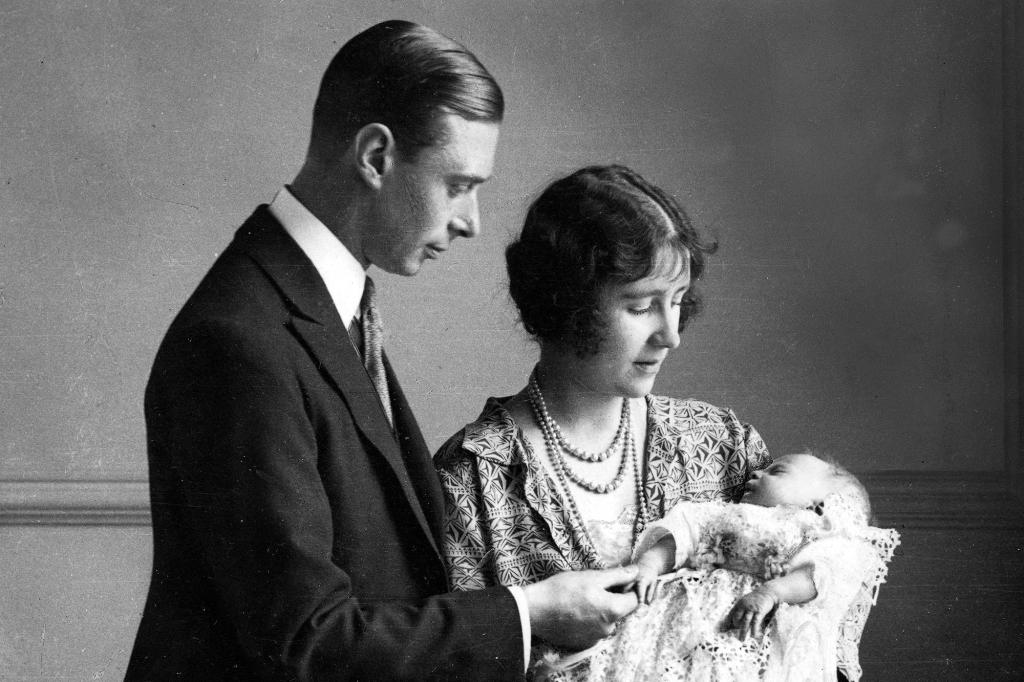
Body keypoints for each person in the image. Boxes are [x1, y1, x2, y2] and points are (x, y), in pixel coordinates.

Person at [127, 22, 639, 681]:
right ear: (374, 156)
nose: (471, 221)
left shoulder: (321, 307)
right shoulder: (239, 340)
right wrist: (524, 613)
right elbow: (306, 646)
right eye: (458, 185)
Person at [434, 164, 772, 677]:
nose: (671, 335)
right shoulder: (473, 478)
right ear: (565, 304)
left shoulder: (722, 445)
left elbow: (819, 582)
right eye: (640, 307)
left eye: (676, 302)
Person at [549, 453, 900, 681]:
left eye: (776, 471)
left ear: (819, 505)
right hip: (681, 615)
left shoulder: (813, 534)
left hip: (750, 627)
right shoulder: (727, 513)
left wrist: (771, 592)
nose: (757, 473)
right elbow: (684, 533)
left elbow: (816, 578)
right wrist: (647, 566)